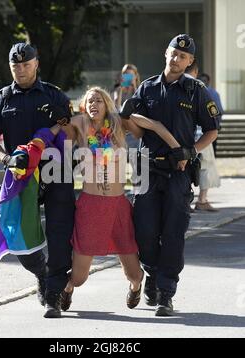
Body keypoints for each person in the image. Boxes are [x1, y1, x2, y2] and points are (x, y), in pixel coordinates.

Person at [56, 86, 183, 312]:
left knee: (134, 273)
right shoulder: (80, 124)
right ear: (84, 106)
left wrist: (177, 149)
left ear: (107, 104)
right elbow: (58, 129)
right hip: (90, 207)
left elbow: (150, 128)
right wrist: (60, 117)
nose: (94, 104)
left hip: (118, 207)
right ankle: (67, 289)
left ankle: (136, 287)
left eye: (99, 100)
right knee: (78, 277)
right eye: (90, 101)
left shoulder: (117, 124)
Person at [121, 34, 221, 316]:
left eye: (183, 57)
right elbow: (136, 130)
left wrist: (191, 152)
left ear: (190, 62)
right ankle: (151, 273)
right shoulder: (147, 88)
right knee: (145, 233)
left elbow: (211, 130)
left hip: (178, 172)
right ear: (166, 54)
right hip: (147, 170)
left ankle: (166, 292)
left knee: (173, 233)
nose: (176, 59)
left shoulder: (196, 90)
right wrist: (132, 120)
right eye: (173, 53)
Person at [0, 42, 75, 319]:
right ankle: (42, 272)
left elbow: (73, 131)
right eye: (15, 65)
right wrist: (6, 159)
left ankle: (53, 295)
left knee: (59, 235)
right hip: (19, 174)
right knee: (17, 236)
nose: (21, 69)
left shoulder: (55, 96)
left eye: (26, 64)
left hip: (55, 172)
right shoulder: (1, 99)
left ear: (36, 63)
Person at [185, 61, 221, 212]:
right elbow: (215, 112)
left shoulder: (171, 85)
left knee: (184, 166)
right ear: (196, 71)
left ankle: (185, 201)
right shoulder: (199, 88)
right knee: (205, 167)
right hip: (201, 135)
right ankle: (202, 200)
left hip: (181, 136)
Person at [113, 64, 141, 149]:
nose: (128, 78)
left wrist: (135, 87)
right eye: (126, 75)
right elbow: (116, 108)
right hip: (122, 121)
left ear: (135, 76)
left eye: (131, 75)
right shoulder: (117, 90)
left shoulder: (140, 89)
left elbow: (140, 106)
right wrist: (120, 89)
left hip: (135, 122)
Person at [199, 72, 224, 155]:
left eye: (204, 80)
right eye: (200, 80)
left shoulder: (213, 94)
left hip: (212, 126)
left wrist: (217, 124)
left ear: (208, 81)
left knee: (212, 151)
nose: (202, 82)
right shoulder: (198, 92)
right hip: (200, 128)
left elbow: (219, 111)